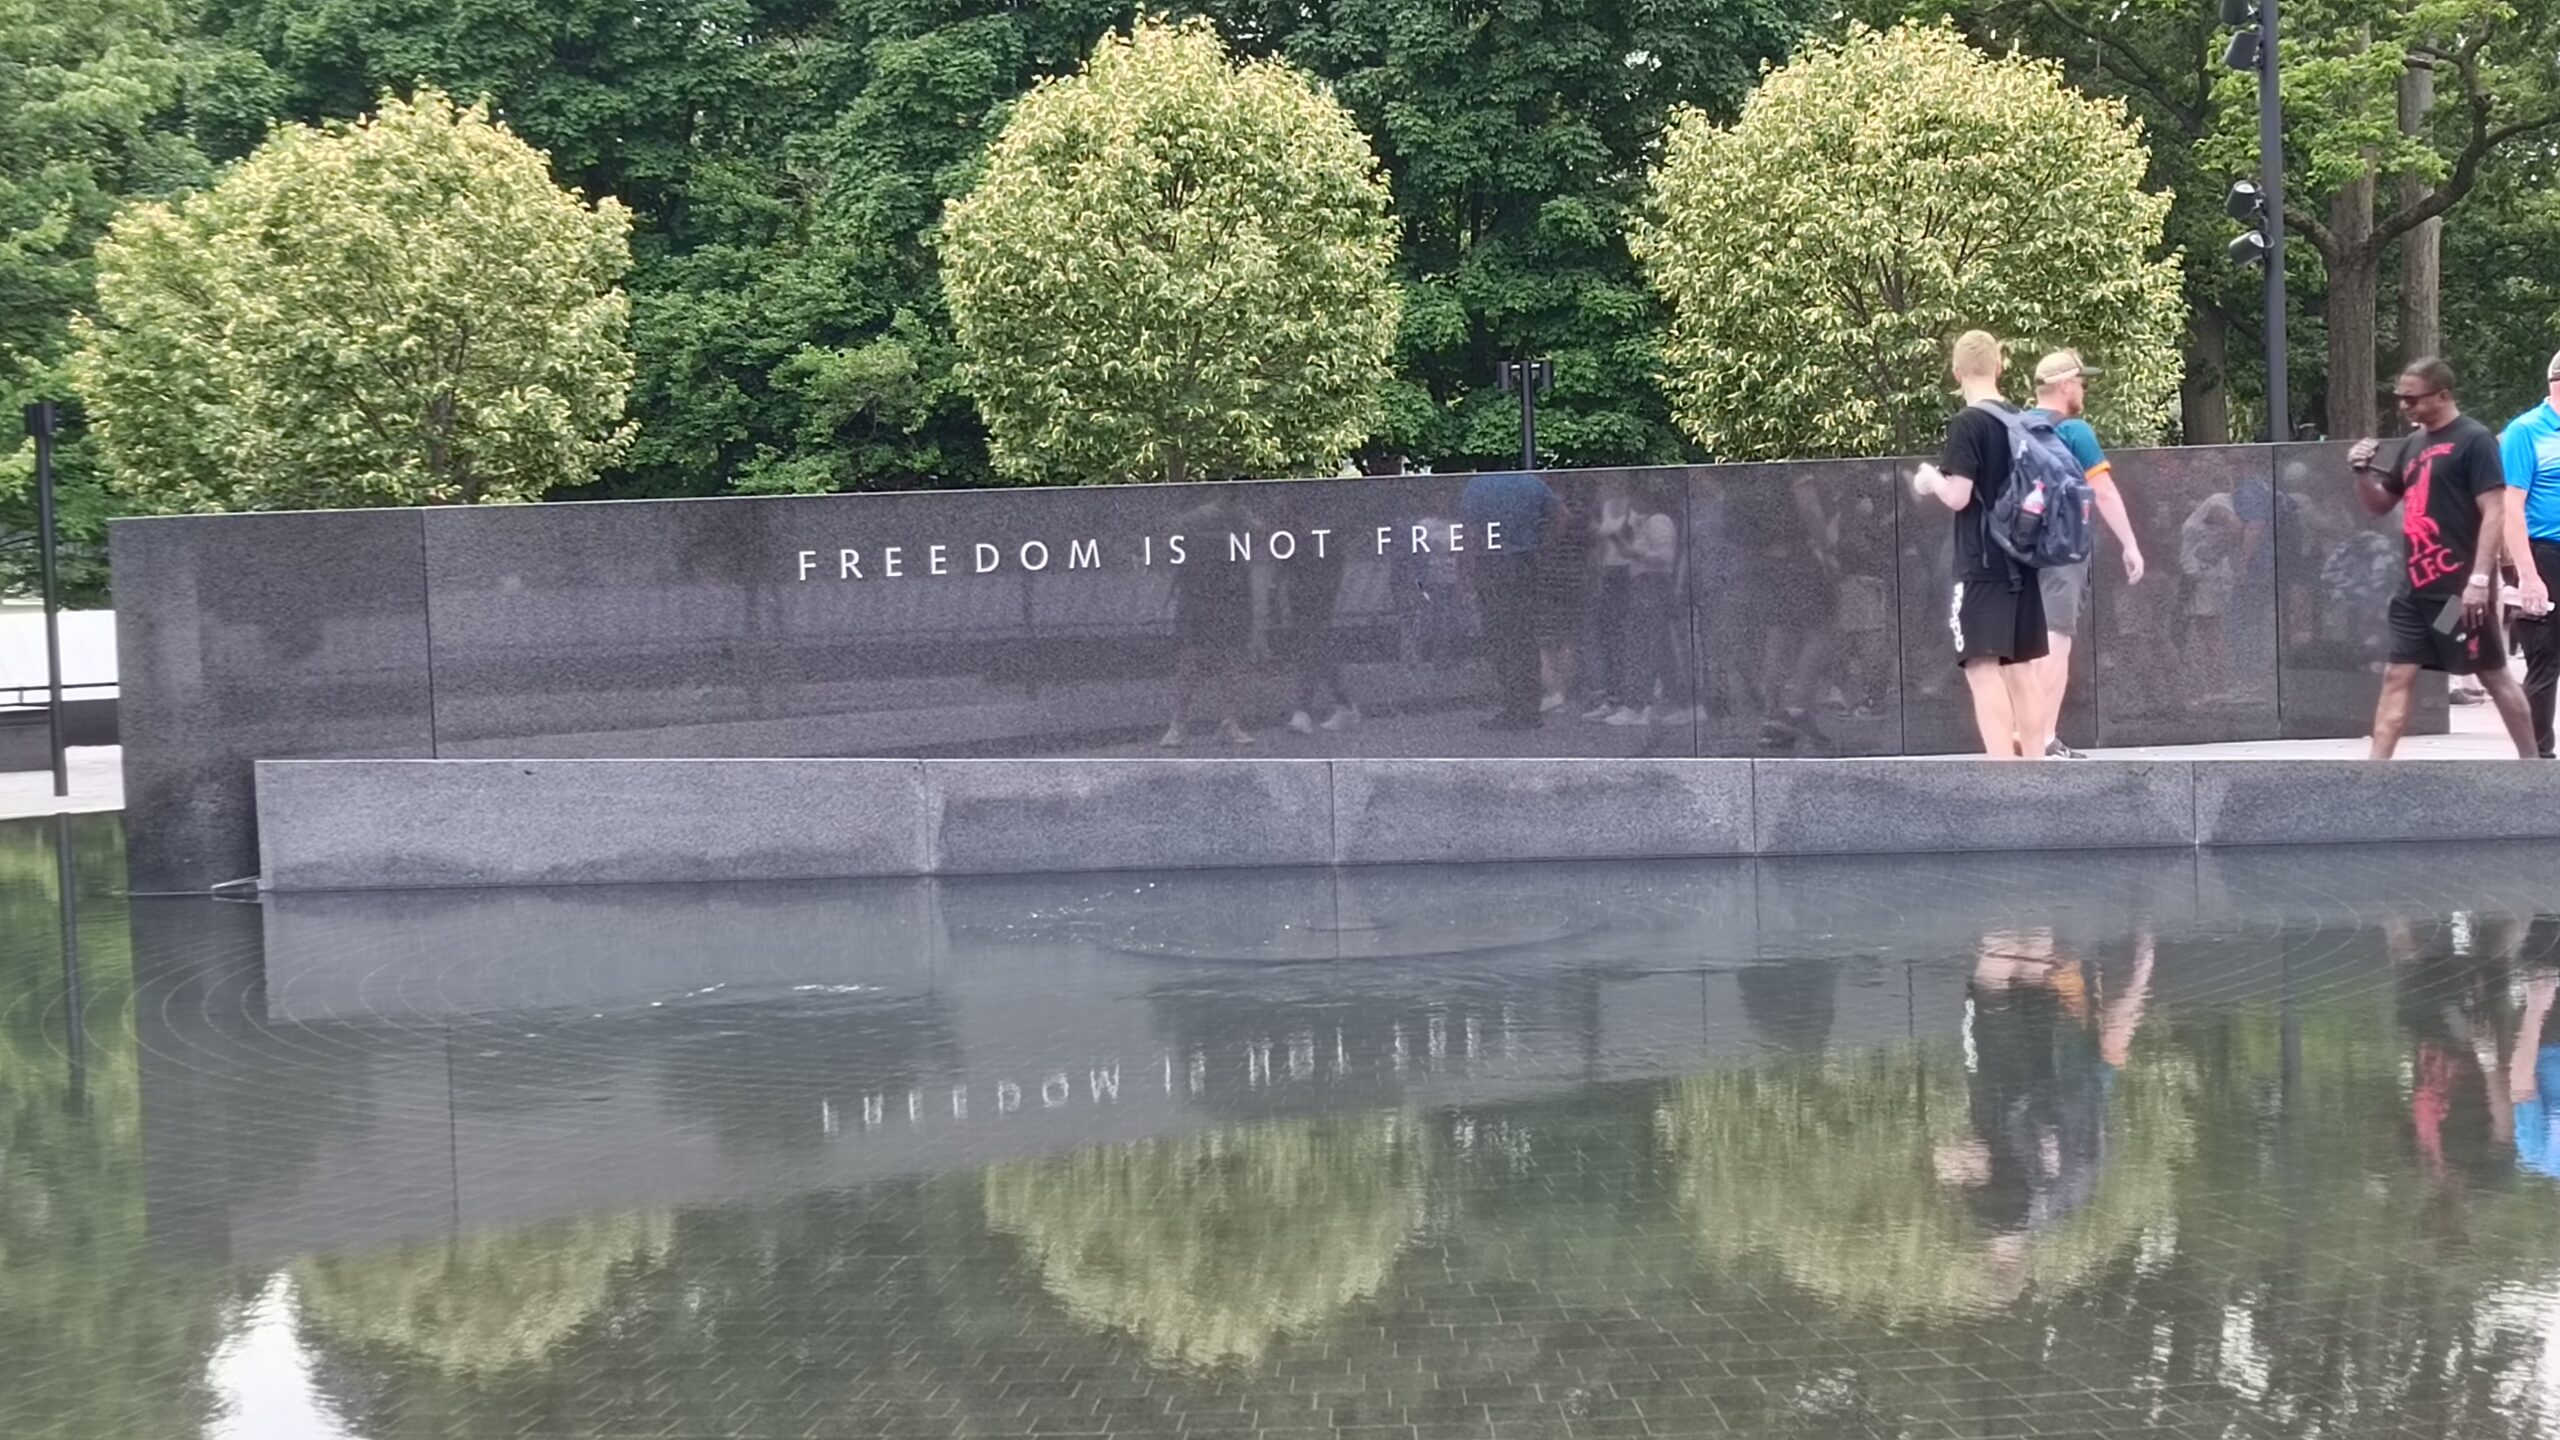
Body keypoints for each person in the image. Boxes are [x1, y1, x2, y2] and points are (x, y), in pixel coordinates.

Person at [2348, 357, 2539, 758]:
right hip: (2415, 591)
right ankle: (2373, 776)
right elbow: (2379, 505)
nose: (2404, 406)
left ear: (2443, 395)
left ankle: (2533, 765)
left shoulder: (2475, 440)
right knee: (2397, 674)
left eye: (2412, 399)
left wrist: (2479, 580)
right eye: (2401, 398)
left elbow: (2495, 511)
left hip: (2457, 593)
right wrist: (2362, 473)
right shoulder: (2414, 445)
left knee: (2491, 673)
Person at [1910, 330, 2051, 758]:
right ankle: (2036, 769)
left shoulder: (1968, 423)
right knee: (2022, 669)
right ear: (1999, 367)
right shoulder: (2021, 420)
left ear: (1956, 372)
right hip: (2022, 559)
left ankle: (2002, 772)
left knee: (1982, 667)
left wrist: (1930, 479)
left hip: (1982, 562)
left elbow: (1959, 496)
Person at [2023, 351, 2145, 758]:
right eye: (2080, 382)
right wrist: (2130, 544)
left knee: (2021, 644)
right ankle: (2041, 737)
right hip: (2062, 548)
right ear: (2065, 386)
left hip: (2014, 548)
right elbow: (2103, 492)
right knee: (2055, 641)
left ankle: (2018, 729)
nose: (2083, 389)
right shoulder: (2075, 431)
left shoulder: (2012, 428)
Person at [1458, 468, 1559, 730]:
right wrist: (1543, 547)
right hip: (1525, 562)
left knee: (1501, 639)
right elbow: (1561, 516)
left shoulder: (1476, 486)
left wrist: (1466, 573)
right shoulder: (1531, 483)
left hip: (1492, 564)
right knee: (1525, 638)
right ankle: (1530, 708)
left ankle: (1513, 706)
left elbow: (1470, 534)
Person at [2497, 349, 2560, 758]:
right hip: (2545, 554)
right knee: (2544, 658)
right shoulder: (2526, 431)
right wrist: (2529, 575)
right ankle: (2536, 757)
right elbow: (2512, 507)